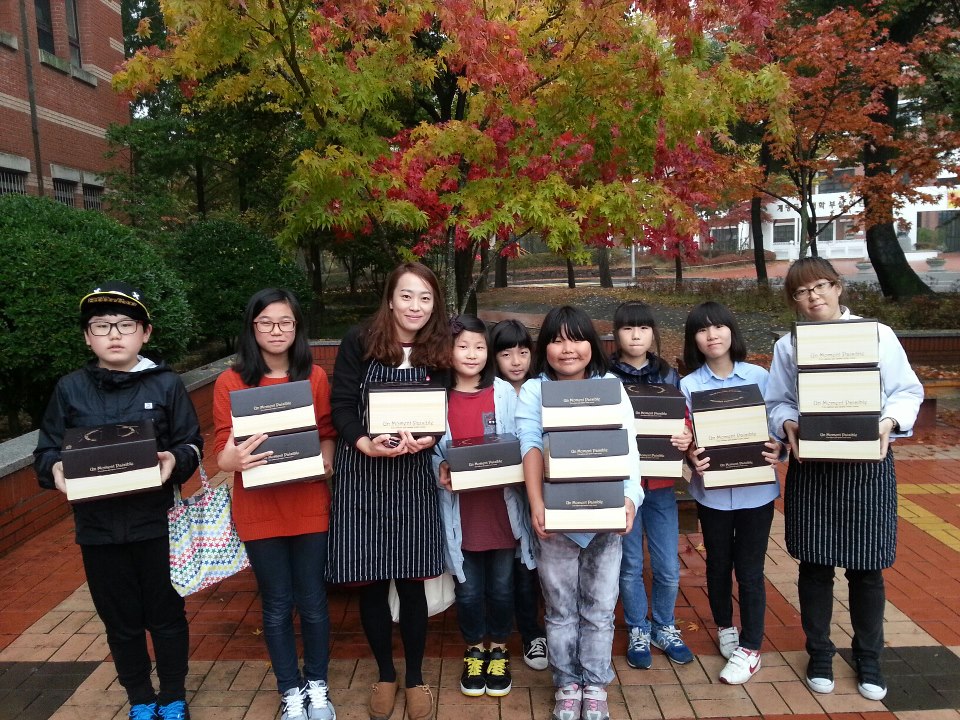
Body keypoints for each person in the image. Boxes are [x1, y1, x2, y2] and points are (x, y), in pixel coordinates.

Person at [34, 281, 201, 720]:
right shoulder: (70, 389)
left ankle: (173, 697)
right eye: (101, 325)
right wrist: (53, 470)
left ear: (145, 333)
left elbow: (191, 443)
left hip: (156, 525)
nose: (113, 334)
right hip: (98, 530)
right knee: (121, 623)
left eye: (125, 324)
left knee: (167, 617)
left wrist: (175, 460)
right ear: (87, 337)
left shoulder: (166, 385)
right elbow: (46, 451)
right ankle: (141, 700)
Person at [766, 257, 922, 701]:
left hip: (866, 466)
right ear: (793, 300)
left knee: (867, 568)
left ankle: (869, 657)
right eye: (801, 291)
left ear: (838, 288)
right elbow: (778, 401)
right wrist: (788, 423)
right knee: (814, 566)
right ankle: (819, 651)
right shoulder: (788, 346)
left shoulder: (876, 334)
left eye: (820, 286)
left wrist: (889, 423)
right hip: (813, 466)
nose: (812, 297)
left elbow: (906, 391)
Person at [327, 262, 451, 720]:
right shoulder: (358, 341)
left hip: (413, 477)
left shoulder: (438, 346)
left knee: (414, 581)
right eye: (406, 295)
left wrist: (430, 439)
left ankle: (415, 677)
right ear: (390, 298)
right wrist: (364, 442)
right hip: (364, 474)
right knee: (373, 582)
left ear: (433, 303)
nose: (415, 306)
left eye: (424, 297)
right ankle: (384, 673)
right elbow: (341, 404)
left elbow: (441, 407)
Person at [212, 289, 337, 720]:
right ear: (252, 328)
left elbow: (326, 431)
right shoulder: (231, 381)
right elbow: (221, 453)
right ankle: (290, 691)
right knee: (278, 604)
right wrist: (234, 458)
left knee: (313, 600)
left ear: (297, 327)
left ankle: (318, 686)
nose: (276, 330)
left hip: (308, 503)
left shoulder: (315, 377)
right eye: (266, 322)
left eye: (285, 322)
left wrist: (326, 460)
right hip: (259, 509)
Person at [515, 306, 642, 720]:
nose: (566, 349)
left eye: (576, 338)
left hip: (605, 515)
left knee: (601, 606)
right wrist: (538, 505)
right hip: (556, 518)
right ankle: (567, 683)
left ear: (592, 343)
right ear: (544, 347)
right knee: (559, 607)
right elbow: (529, 445)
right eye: (556, 339)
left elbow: (629, 448)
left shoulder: (611, 387)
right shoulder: (535, 390)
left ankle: (595, 683)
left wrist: (630, 499)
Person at [680, 301, 782, 685]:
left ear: (731, 331)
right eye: (702, 330)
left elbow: (776, 426)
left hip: (757, 493)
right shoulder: (688, 386)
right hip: (713, 494)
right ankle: (725, 625)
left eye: (719, 326)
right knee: (718, 564)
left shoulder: (759, 377)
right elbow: (687, 440)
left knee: (751, 570)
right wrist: (692, 456)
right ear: (695, 340)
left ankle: (752, 647)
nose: (712, 335)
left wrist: (779, 449)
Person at [434, 315, 536, 698]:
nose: (472, 354)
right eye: (462, 346)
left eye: (479, 346)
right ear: (447, 350)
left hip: (501, 513)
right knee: (468, 590)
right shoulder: (437, 397)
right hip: (462, 513)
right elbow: (431, 451)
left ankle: (498, 649)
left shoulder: (505, 393)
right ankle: (474, 648)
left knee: (501, 586)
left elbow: (523, 440)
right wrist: (439, 467)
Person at [608, 301, 693, 669]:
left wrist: (685, 435)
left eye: (643, 327)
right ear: (617, 334)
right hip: (624, 485)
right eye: (628, 328)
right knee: (629, 564)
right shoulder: (606, 375)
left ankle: (665, 624)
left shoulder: (668, 374)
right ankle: (638, 627)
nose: (636, 334)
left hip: (660, 485)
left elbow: (683, 417)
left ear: (653, 333)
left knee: (666, 565)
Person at [490, 319, 548, 671]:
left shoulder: (542, 389)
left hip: (536, 494)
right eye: (507, 353)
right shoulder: (488, 391)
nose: (516, 361)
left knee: (532, 567)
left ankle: (533, 634)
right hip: (495, 498)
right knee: (506, 569)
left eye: (523, 352)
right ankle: (502, 636)